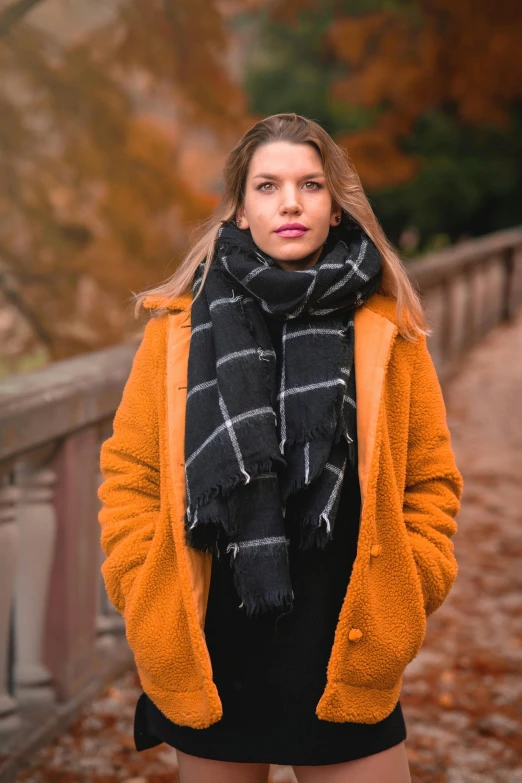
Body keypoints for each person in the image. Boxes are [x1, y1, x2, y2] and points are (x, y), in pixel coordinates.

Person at [98, 113, 463, 783]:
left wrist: (414, 582)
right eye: (267, 185)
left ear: (334, 205)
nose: (290, 202)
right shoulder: (178, 329)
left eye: (310, 184)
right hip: (215, 649)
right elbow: (131, 471)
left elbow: (431, 480)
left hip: (344, 647)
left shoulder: (389, 330)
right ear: (239, 210)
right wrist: (137, 580)